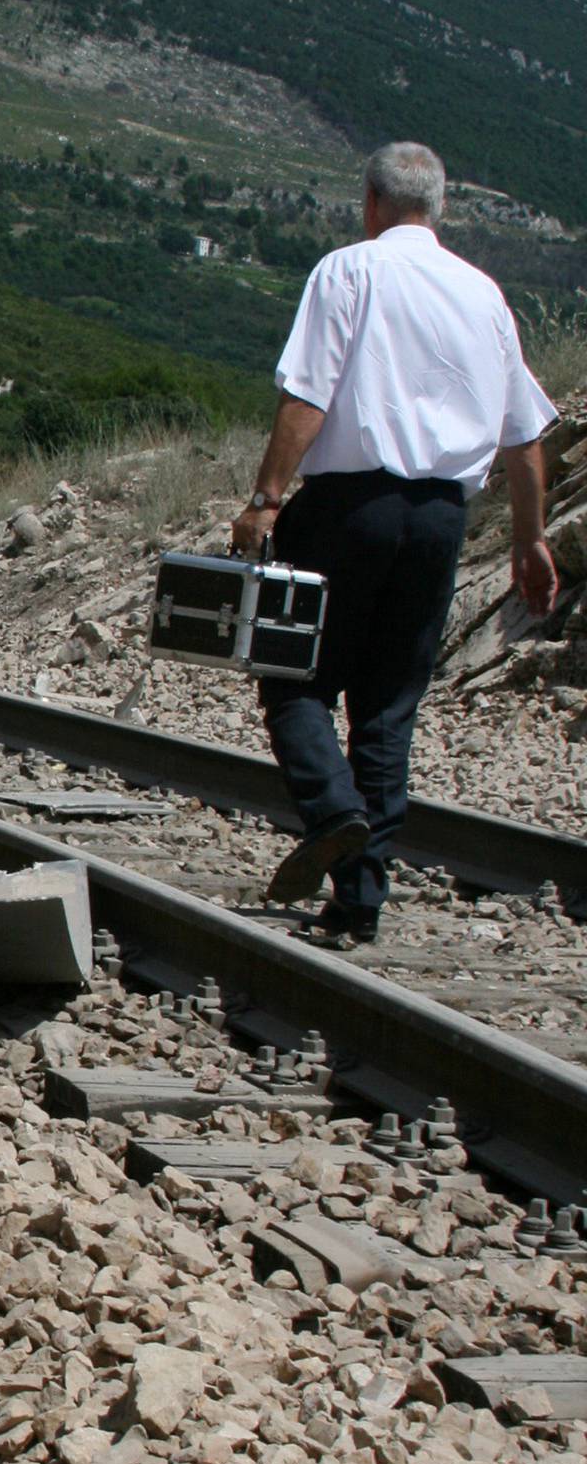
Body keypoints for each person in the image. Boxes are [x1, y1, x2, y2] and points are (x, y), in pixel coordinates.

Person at [232, 142, 558, 942]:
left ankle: (334, 812)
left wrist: (267, 500)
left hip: (348, 506)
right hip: (442, 519)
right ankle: (360, 897)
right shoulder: (485, 296)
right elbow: (524, 439)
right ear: (437, 207)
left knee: (295, 680)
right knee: (386, 708)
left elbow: (306, 397)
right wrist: (529, 540)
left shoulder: (348, 271)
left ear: (371, 202)